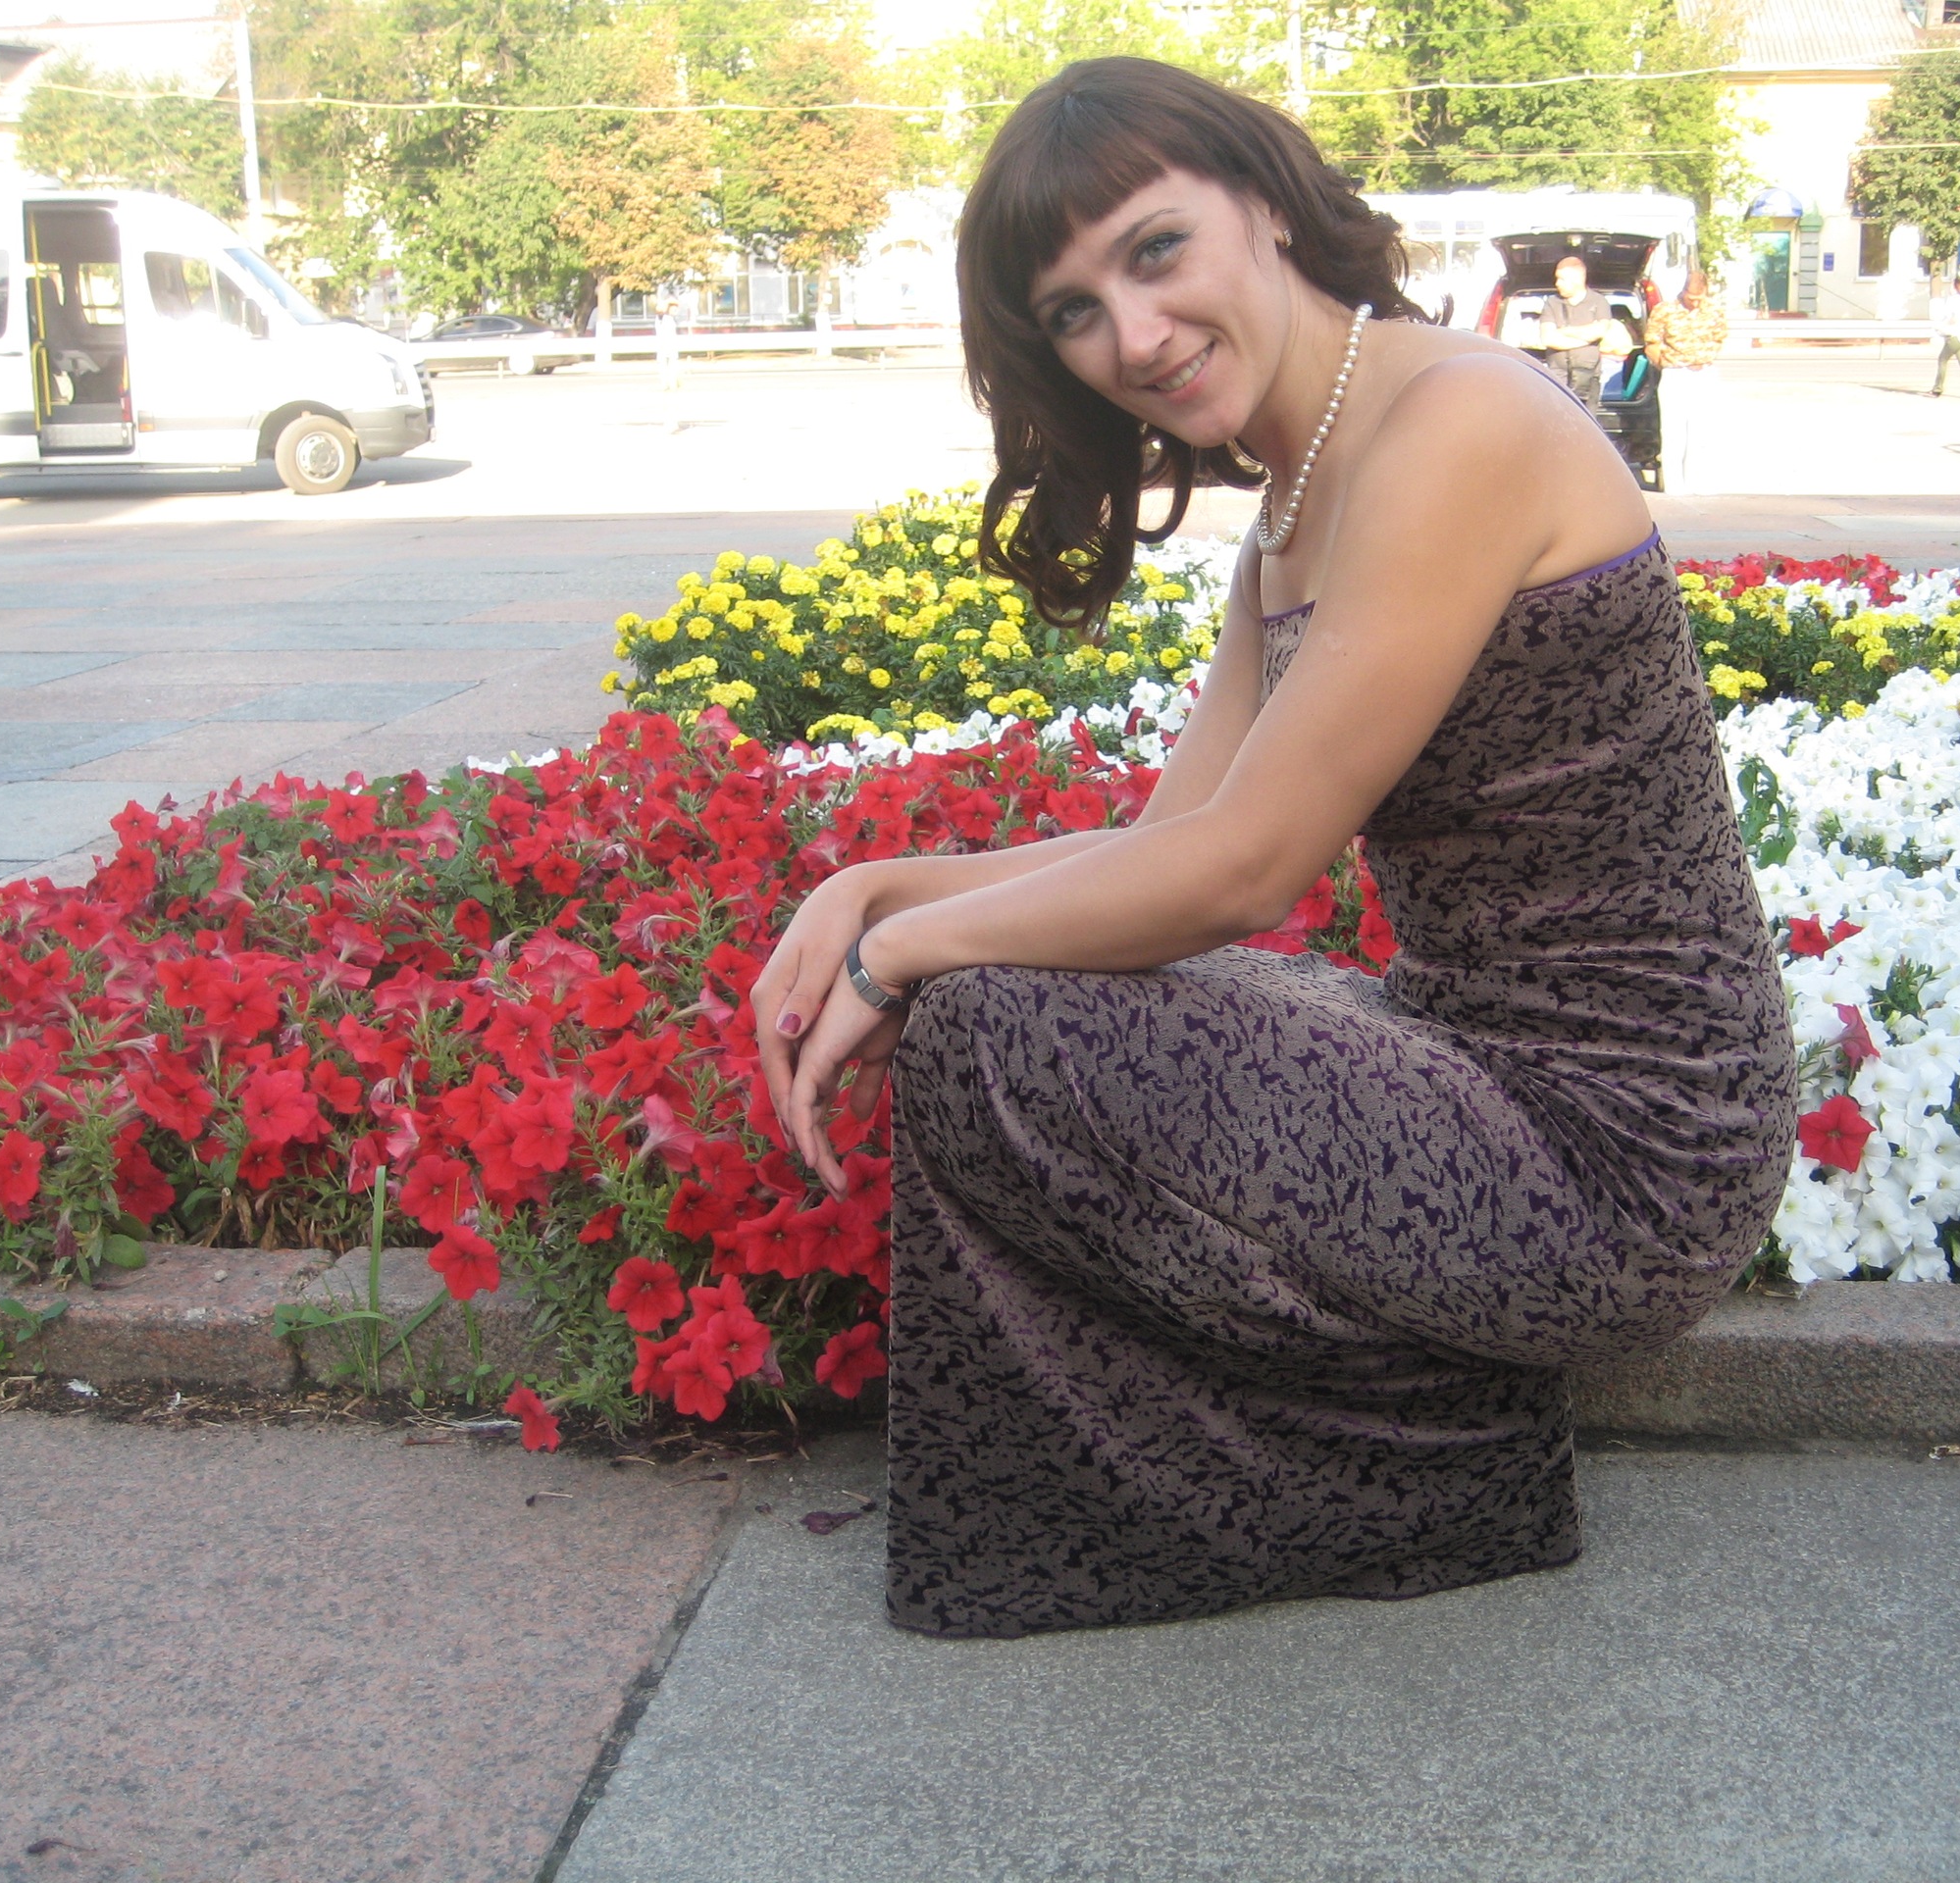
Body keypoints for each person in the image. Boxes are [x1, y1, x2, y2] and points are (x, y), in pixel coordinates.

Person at [746, 57, 1797, 1641]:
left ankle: (1429, 1473)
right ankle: (1367, 1455)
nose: (1134, 336)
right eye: (1076, 311)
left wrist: (902, 954)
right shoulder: (1298, 504)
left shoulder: (1459, 423)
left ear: (1268, 204)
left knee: (992, 1025)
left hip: (1624, 1160)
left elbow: (1245, 876)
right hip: (1480, 1070)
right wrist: (870, 887)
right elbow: (1177, 842)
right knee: (1006, 996)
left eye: (1155, 252)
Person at [1641, 269, 1728, 494]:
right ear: (1683, 291)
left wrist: (1706, 357)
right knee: (1673, 431)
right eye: (1691, 298)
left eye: (1699, 298)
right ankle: (1675, 486)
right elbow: (1651, 342)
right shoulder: (1665, 311)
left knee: (1702, 431)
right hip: (1675, 372)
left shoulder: (1714, 311)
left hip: (1704, 372)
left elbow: (1720, 338)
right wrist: (1664, 363)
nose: (1695, 303)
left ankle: (1698, 482)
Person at [1533, 253, 1630, 414]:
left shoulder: (1599, 301)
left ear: (1578, 280)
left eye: (1562, 279)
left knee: (1587, 422)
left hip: (1589, 376)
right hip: (1557, 376)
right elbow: (1548, 338)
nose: (1557, 283)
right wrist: (1587, 338)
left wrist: (1566, 331)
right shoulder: (1552, 303)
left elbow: (1600, 331)